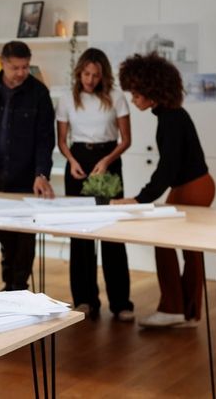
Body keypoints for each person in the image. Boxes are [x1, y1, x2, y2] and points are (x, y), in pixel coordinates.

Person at [113, 53, 215, 328]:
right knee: (188, 249)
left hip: (192, 187)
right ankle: (187, 312)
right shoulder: (172, 115)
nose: (133, 99)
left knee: (168, 241)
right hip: (195, 185)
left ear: (151, 91)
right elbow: (170, 170)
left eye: (135, 93)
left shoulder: (170, 120)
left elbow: (167, 169)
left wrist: (138, 199)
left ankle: (174, 309)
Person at [0, 40, 55, 291]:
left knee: (25, 235)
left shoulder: (39, 92)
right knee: (4, 231)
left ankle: (18, 286)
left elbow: (45, 139)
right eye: (15, 67)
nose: (21, 73)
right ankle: (10, 283)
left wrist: (41, 173)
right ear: (2, 62)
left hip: (27, 175)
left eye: (25, 67)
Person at [56, 48, 134, 321]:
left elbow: (126, 139)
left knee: (111, 234)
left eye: (95, 75)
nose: (90, 79)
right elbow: (62, 141)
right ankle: (84, 300)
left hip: (108, 161)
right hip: (78, 162)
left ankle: (122, 303)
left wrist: (107, 161)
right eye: (86, 74)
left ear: (103, 75)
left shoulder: (116, 97)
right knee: (80, 234)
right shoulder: (67, 99)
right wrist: (71, 160)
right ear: (79, 73)